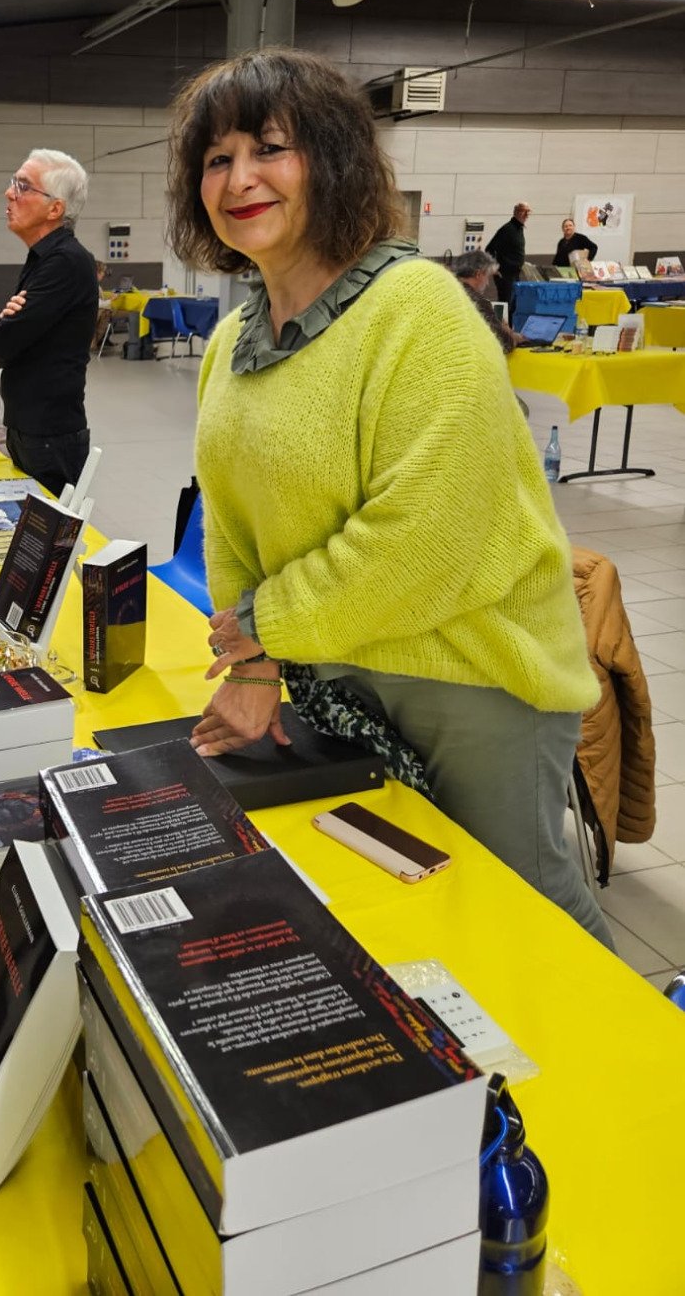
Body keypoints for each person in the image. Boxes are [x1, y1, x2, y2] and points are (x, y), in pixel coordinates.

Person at [166, 46, 611, 947]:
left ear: (328, 160)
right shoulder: (234, 338)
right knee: (401, 920)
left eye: (269, 149)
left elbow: (429, 539)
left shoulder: (418, 309)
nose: (240, 178)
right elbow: (229, 524)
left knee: (524, 920)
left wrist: (269, 627)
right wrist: (252, 668)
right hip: (332, 665)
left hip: (471, 674)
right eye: (218, 159)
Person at [0, 148, 99, 496]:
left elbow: (1, 346)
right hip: (30, 430)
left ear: (55, 208)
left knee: (48, 547)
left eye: (23, 186)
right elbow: (6, 335)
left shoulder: (65, 263)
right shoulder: (43, 258)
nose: (9, 192)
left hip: (49, 438)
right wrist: (2, 323)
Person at [451, 250, 527, 351]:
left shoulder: (445, 289)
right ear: (478, 274)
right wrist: (515, 338)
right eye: (487, 277)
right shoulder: (477, 301)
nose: (487, 283)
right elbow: (503, 343)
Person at [485, 200, 531, 305]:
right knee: (505, 304)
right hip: (504, 275)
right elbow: (489, 249)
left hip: (515, 274)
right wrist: (494, 268)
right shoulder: (507, 229)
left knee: (514, 304)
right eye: (524, 211)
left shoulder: (519, 229)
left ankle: (509, 322)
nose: (527, 214)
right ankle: (500, 322)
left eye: (529, 211)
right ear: (516, 212)